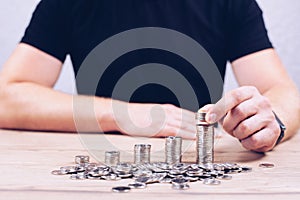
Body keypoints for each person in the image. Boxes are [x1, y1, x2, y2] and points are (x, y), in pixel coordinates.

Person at [0, 0, 299, 152]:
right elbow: (7, 97)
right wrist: (123, 115)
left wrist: (272, 121)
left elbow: (283, 93)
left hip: (196, 167)